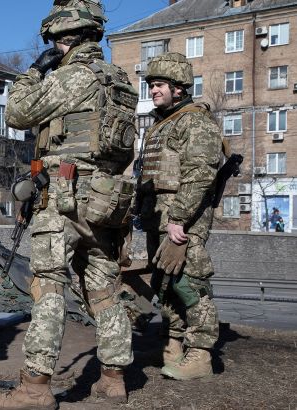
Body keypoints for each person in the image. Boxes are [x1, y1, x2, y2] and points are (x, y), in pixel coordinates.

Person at [0, 1, 138, 407]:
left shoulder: (73, 76)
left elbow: (17, 113)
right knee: (105, 290)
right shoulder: (121, 82)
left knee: (49, 286)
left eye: (53, 41)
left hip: (66, 198)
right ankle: (113, 378)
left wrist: (35, 70)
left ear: (63, 39)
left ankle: (34, 387)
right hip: (106, 202)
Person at [138, 52, 221, 381]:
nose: (153, 91)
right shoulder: (160, 124)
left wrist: (179, 218)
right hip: (158, 219)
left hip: (183, 221)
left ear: (178, 87)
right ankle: (173, 342)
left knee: (190, 284)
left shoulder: (195, 120)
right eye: (151, 86)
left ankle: (201, 355)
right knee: (164, 284)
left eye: (158, 85)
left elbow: (201, 173)